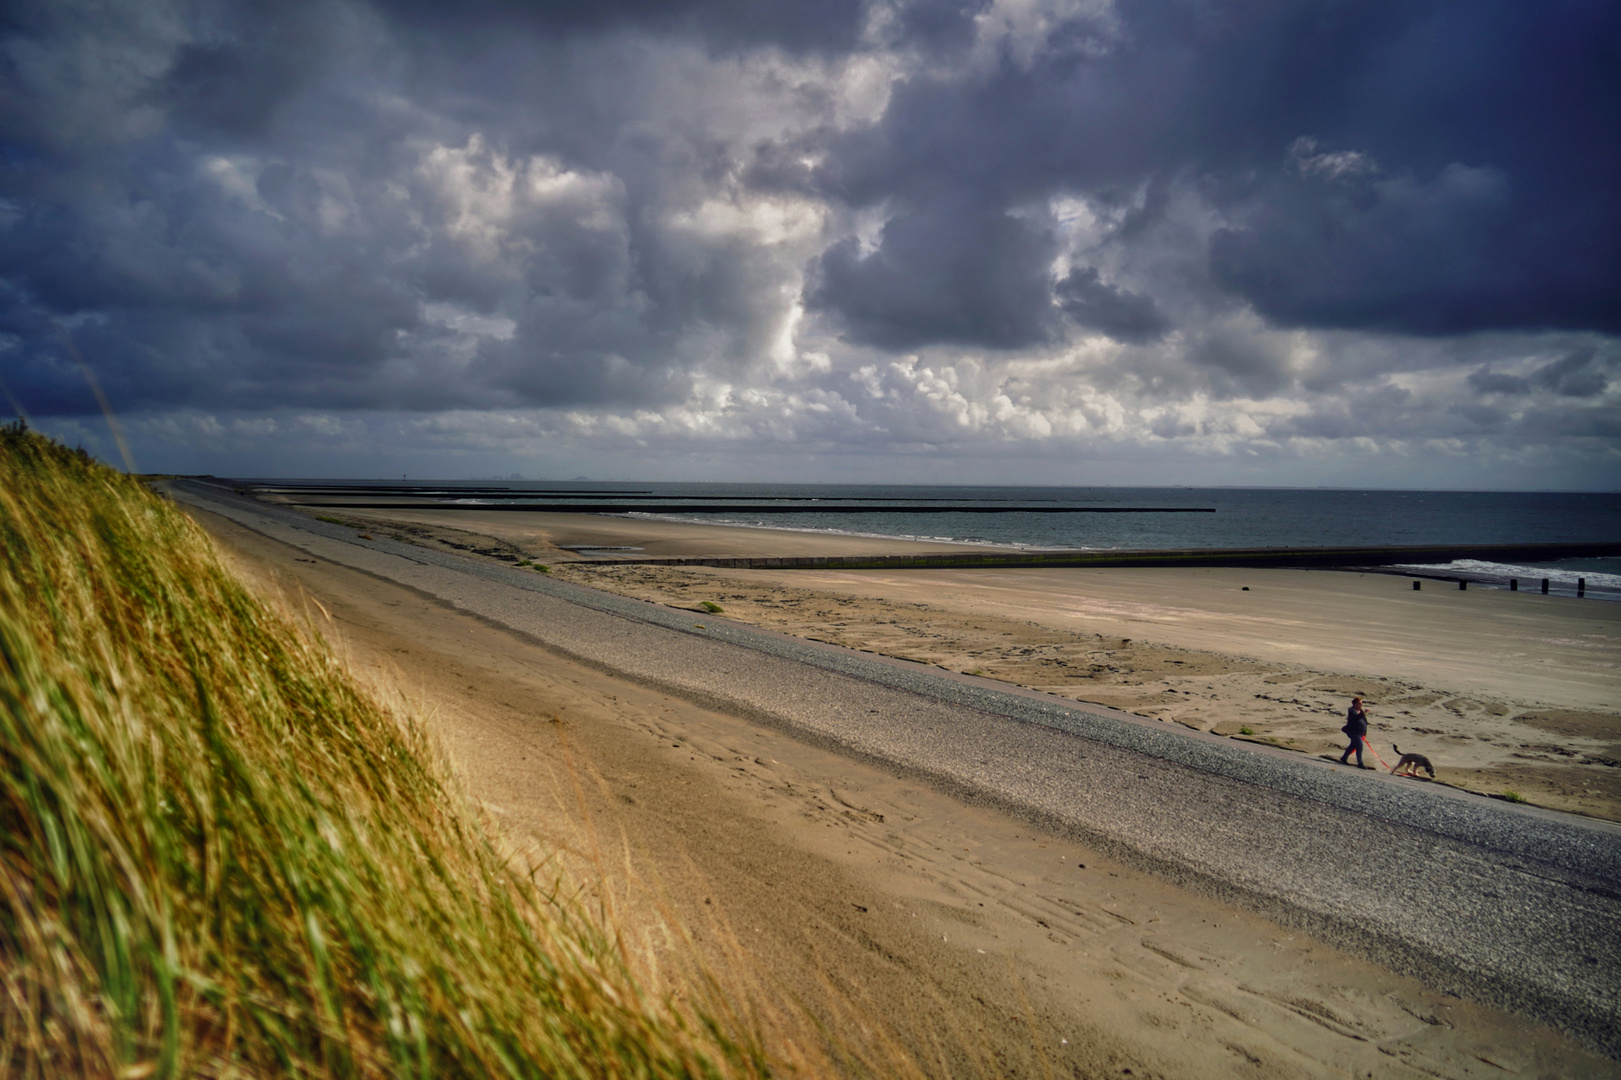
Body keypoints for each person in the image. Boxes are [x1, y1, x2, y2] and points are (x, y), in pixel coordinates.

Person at [1338, 696, 1369, 768]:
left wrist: (1364, 733)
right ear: (1354, 704)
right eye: (1359, 703)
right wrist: (1364, 713)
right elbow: (1357, 718)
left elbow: (1364, 721)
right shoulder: (1352, 710)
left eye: (1361, 703)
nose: (1361, 705)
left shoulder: (1360, 711)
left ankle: (1344, 758)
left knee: (1353, 746)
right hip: (1354, 732)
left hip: (1361, 732)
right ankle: (1360, 763)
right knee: (1359, 746)